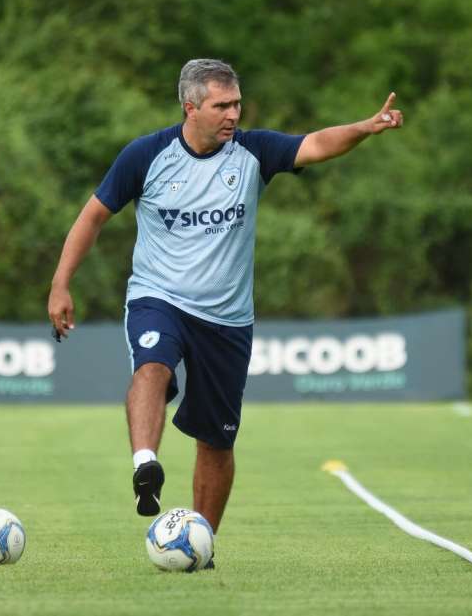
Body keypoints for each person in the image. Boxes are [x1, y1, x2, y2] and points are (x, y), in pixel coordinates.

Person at [47, 58, 402, 553]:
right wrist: (61, 283)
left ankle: (199, 543)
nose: (233, 113)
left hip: (227, 318)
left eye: (236, 103)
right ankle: (145, 463)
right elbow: (92, 217)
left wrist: (366, 128)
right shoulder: (145, 156)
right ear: (190, 107)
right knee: (152, 366)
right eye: (221, 105)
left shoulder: (254, 152)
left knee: (217, 440)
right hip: (159, 297)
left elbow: (317, 143)